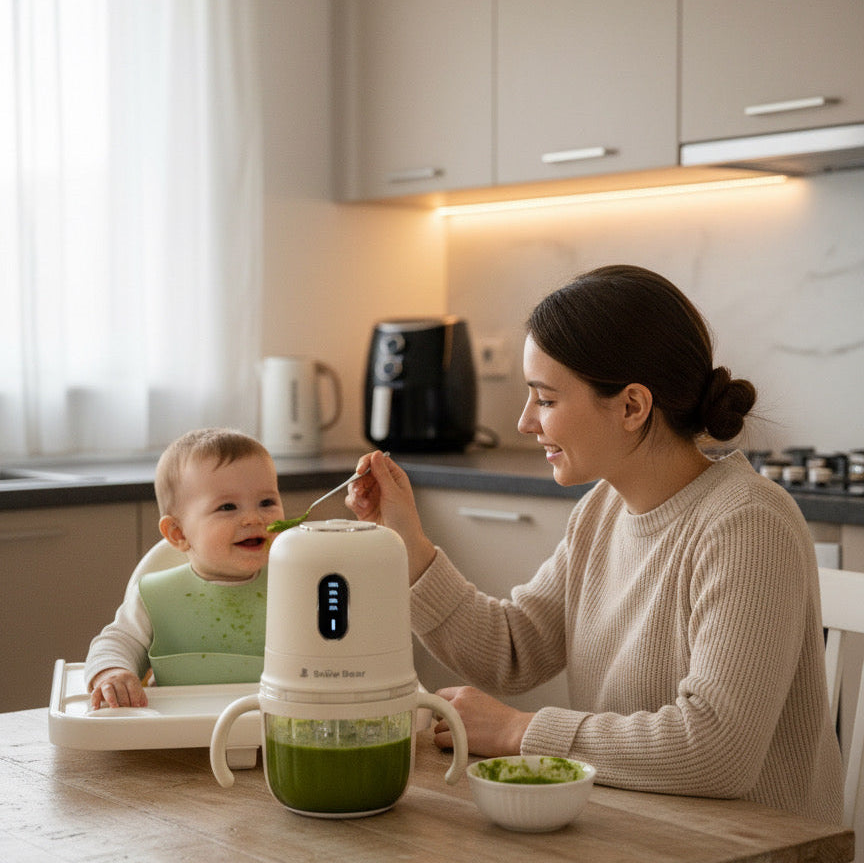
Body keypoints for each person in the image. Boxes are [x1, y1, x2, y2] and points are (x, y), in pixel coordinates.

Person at [346, 264, 843, 824]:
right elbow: (513, 651)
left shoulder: (748, 524)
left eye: (545, 399)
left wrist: (519, 731)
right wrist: (407, 542)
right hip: (633, 827)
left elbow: (715, 749)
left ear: (632, 406)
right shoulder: (601, 511)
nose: (525, 422)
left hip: (751, 847)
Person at [85, 427, 284, 709]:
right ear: (178, 533)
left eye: (267, 502)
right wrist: (112, 672)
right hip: (176, 730)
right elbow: (117, 642)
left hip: (271, 726)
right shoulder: (156, 597)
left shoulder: (296, 584)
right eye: (228, 507)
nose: (253, 518)